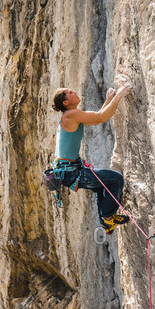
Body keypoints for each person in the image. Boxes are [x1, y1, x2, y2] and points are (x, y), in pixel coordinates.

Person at [51, 85, 132, 234]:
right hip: (72, 173)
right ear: (65, 102)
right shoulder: (71, 115)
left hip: (69, 172)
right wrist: (118, 96)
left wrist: (108, 100)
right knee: (116, 179)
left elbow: (97, 118)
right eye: (69, 92)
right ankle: (108, 217)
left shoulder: (71, 116)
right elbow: (101, 117)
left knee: (102, 186)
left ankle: (106, 221)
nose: (74, 91)